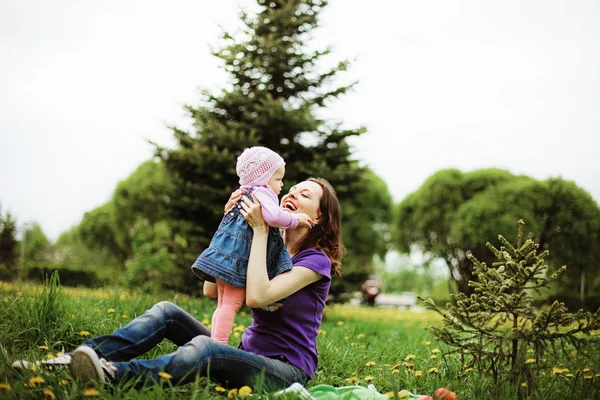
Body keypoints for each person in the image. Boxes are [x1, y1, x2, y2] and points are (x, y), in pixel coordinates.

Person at [64, 177, 343, 391]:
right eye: (291, 190)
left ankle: (112, 375)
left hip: (286, 371)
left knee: (206, 349)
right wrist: (231, 223)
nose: (291, 194)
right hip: (246, 355)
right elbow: (211, 289)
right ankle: (79, 359)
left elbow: (257, 297)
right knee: (167, 312)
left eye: (304, 195)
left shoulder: (316, 261)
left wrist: (259, 230)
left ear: (318, 217)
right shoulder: (274, 250)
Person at [191, 146, 313, 344]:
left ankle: (214, 341)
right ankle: (217, 345)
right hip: (237, 261)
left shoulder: (244, 194)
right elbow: (274, 216)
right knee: (231, 303)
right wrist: (296, 219)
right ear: (264, 178)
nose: (282, 185)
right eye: (278, 179)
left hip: (228, 258)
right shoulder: (262, 193)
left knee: (223, 304)